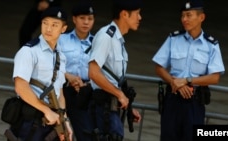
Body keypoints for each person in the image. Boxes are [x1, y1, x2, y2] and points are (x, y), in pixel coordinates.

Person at [152, 0, 225, 141]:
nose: (184, 19)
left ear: (201, 17)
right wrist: (176, 84)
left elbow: (215, 78)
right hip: (172, 99)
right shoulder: (173, 38)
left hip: (194, 103)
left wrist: (187, 81)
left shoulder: (211, 45)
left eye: (188, 15)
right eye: (182, 16)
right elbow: (159, 68)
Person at [12, 7, 73, 141]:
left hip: (52, 120)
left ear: (63, 29)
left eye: (54, 25)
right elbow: (20, 86)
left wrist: (65, 121)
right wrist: (46, 110)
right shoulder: (29, 51)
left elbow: (60, 93)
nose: (48, 29)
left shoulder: (60, 56)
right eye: (45, 23)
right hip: (31, 119)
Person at [88, 0, 142, 140]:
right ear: (124, 14)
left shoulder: (118, 40)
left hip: (111, 106)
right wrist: (119, 94)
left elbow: (113, 79)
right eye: (137, 14)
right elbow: (93, 73)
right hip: (103, 107)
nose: (140, 18)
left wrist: (128, 106)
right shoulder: (107, 37)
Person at [58, 1, 95, 141]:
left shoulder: (97, 42)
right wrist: (68, 76)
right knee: (58, 133)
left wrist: (86, 84)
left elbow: (101, 70)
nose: (86, 22)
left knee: (86, 133)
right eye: (82, 18)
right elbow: (51, 63)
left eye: (90, 19)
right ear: (74, 19)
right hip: (61, 89)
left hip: (84, 92)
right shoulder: (62, 39)